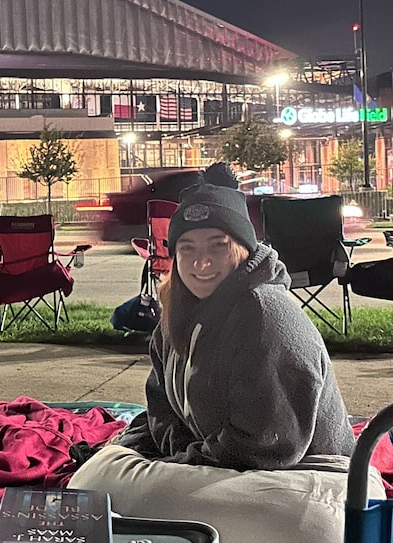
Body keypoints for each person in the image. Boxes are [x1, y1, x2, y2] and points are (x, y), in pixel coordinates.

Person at [115, 163, 355, 470]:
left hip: (304, 477)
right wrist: (175, 452)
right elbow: (159, 405)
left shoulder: (264, 315)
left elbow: (266, 445)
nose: (201, 262)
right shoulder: (177, 309)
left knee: (115, 486)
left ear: (243, 249)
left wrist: (179, 463)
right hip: (219, 468)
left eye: (218, 247)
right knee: (106, 474)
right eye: (187, 249)